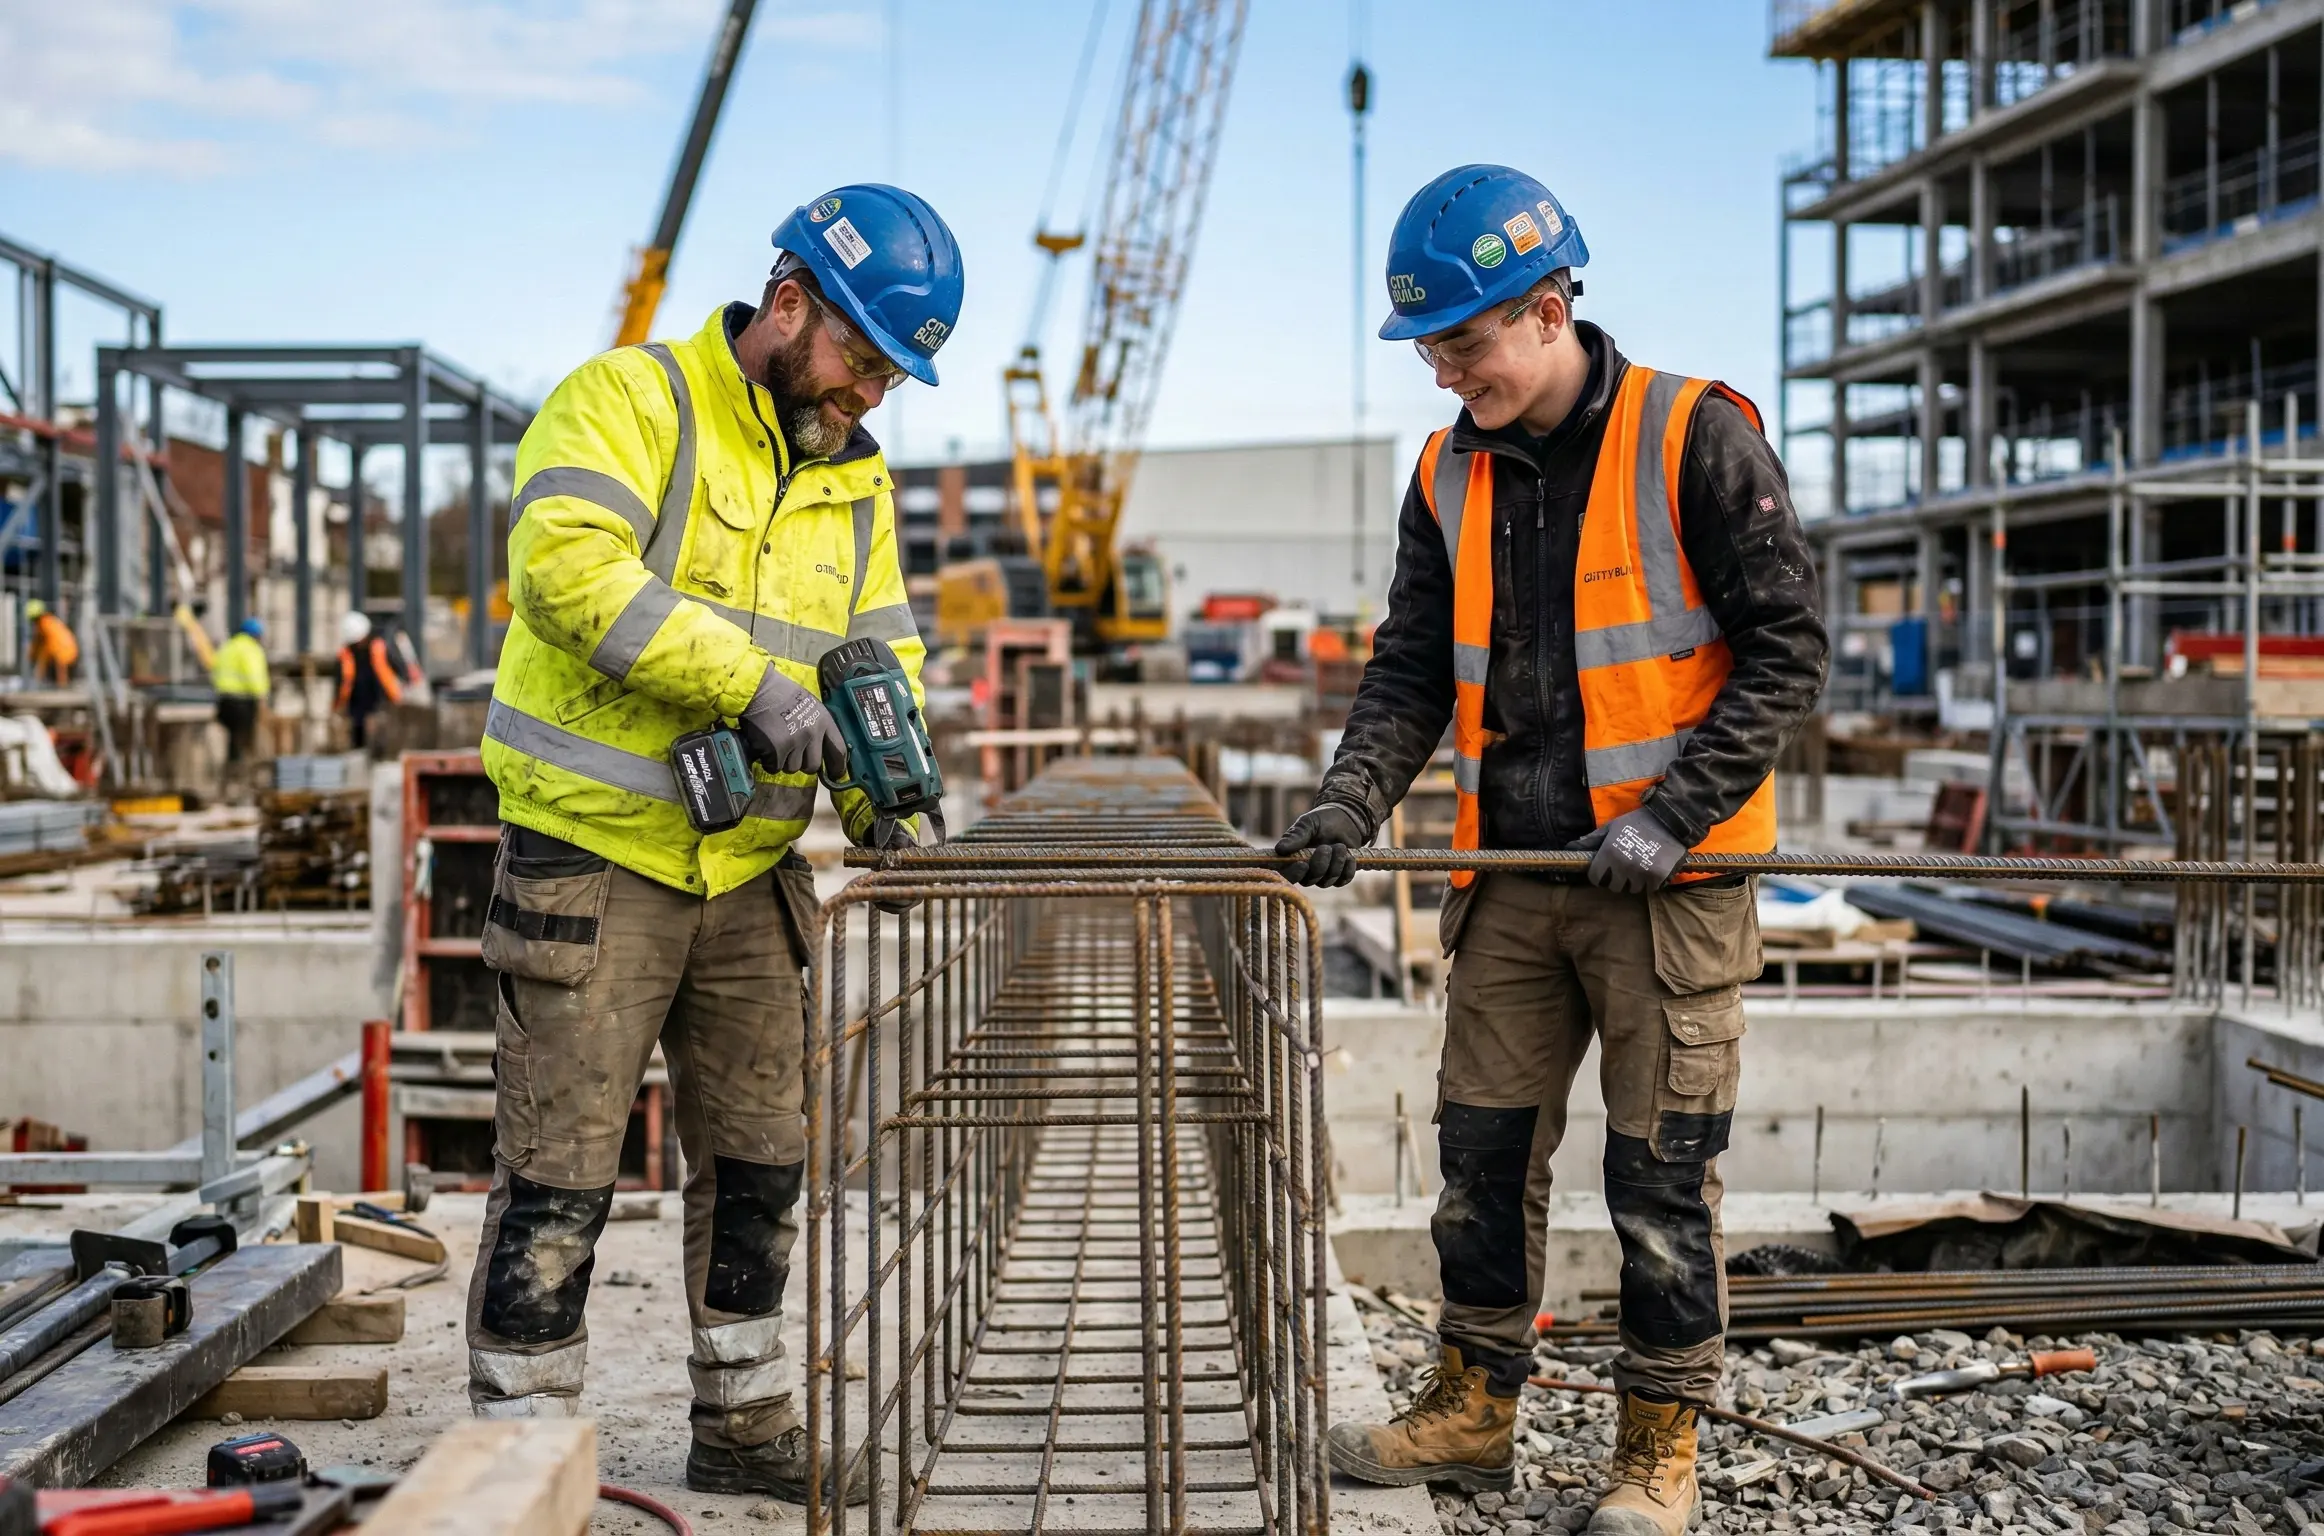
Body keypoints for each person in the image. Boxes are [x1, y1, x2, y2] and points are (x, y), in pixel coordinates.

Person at [1277, 166, 1827, 1535]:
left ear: (1546, 307)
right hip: (1513, 879)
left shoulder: (1694, 435)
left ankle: (1658, 1452)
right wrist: (1352, 799)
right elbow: (1410, 669)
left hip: (1670, 888)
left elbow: (1788, 650)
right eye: (1431, 348)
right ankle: (1474, 1407)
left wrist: (1676, 812)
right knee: (1481, 1156)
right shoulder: (1446, 470)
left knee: (1656, 1176)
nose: (1445, 374)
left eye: (1464, 343)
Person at [467, 183, 957, 1503]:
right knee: (558, 1168)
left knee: (760, 1161)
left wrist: (882, 793)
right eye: (864, 361)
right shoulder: (633, 399)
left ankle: (740, 1425)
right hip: (592, 859)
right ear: (790, 303)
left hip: (747, 873)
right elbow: (564, 568)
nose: (870, 396)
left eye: (892, 379)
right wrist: (750, 686)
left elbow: (882, 654)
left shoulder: (855, 478)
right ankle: (521, 1456)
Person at [335, 611, 404, 749]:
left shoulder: (380, 647)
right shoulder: (346, 655)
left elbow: (398, 668)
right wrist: (338, 706)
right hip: (356, 706)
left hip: (381, 701)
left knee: (381, 736)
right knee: (358, 739)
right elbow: (341, 681)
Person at [211, 617, 270, 769]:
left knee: (232, 738)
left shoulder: (228, 646)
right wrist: (262, 695)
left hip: (223, 699)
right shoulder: (250, 648)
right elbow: (253, 673)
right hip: (242, 700)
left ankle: (231, 767)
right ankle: (239, 770)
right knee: (243, 737)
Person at [24, 599, 77, 687]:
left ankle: (61, 687)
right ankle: (61, 685)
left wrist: (32, 655)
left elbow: (40, 643)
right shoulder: (49, 621)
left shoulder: (44, 625)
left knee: (59, 668)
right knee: (57, 666)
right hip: (69, 649)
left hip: (62, 652)